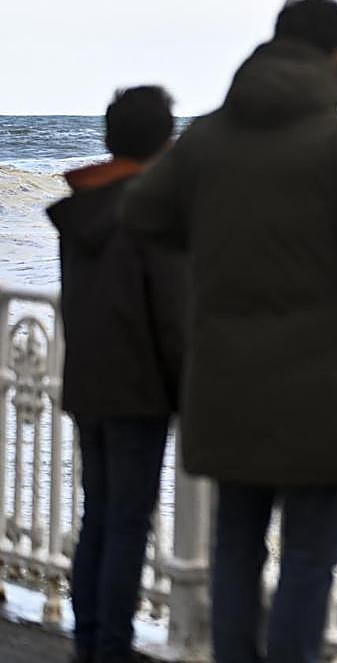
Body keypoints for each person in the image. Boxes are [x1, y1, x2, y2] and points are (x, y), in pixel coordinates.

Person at [122, 0, 337, 663]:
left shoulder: (205, 139)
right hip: (320, 388)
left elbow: (142, 211)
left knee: (235, 552)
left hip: (226, 384)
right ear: (336, 57)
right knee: (309, 559)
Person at [47, 86, 186, 663]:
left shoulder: (85, 207)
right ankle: (111, 646)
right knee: (128, 522)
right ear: (164, 140)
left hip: (88, 377)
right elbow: (170, 308)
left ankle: (89, 641)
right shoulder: (150, 207)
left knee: (98, 514)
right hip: (140, 385)